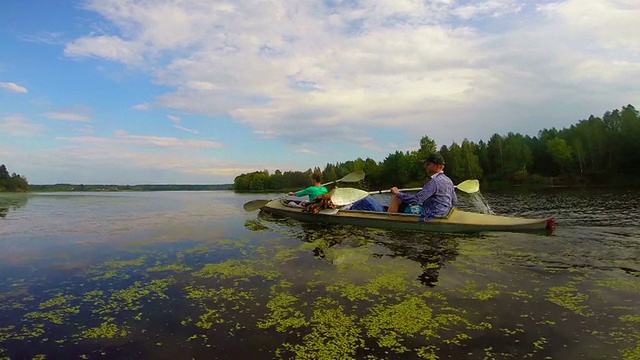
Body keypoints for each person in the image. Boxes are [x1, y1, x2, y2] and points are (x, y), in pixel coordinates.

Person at [350, 153, 458, 221]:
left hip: (430, 215)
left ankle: (349, 210)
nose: (426, 167)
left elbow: (417, 199)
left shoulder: (434, 182)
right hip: (442, 213)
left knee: (367, 201)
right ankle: (389, 210)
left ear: (436, 166)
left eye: (428, 164)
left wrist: (397, 193)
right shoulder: (448, 181)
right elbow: (454, 201)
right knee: (401, 201)